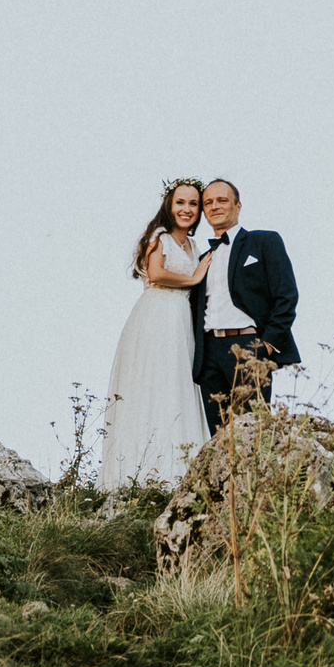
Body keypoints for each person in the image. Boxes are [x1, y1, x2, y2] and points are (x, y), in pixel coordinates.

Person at [98, 179, 214, 489]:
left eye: (192, 204)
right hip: (157, 317)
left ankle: (176, 472)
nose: (186, 209)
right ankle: (139, 474)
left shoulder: (192, 245)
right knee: (152, 385)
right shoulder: (159, 237)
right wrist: (194, 278)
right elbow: (156, 273)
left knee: (176, 386)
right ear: (169, 205)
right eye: (181, 203)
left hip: (181, 322)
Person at [189, 178, 300, 431]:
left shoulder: (264, 242)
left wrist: (267, 345)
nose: (215, 206)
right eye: (209, 202)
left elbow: (287, 295)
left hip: (249, 347)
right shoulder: (202, 259)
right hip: (208, 355)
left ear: (237, 206)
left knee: (254, 432)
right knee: (219, 439)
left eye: (222, 200)